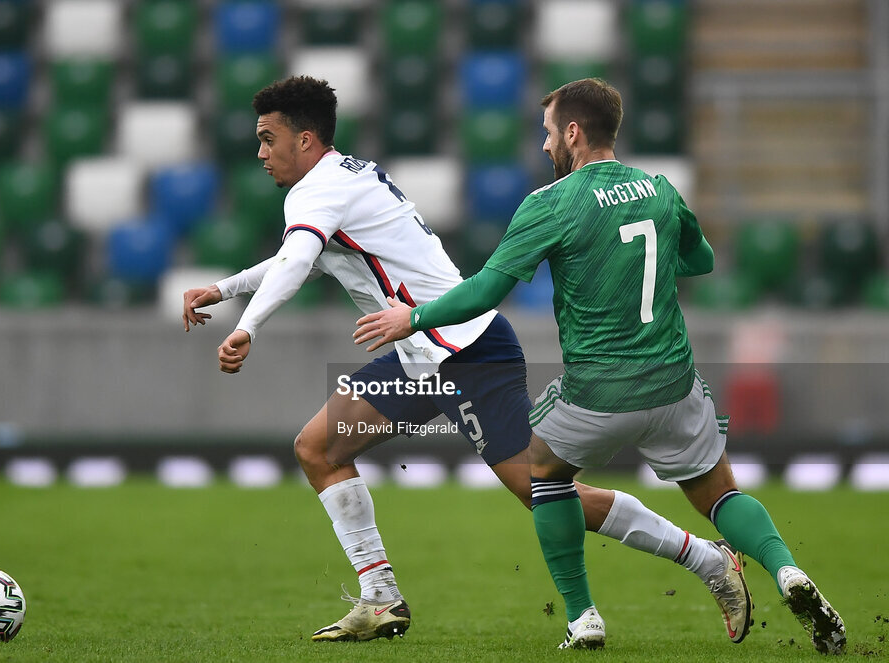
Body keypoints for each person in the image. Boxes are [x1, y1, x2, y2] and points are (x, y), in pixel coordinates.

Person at [183, 75, 749, 644]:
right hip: (422, 359)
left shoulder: (316, 194)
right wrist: (225, 289)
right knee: (319, 448)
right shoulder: (341, 178)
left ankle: (708, 560)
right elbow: (295, 258)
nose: (260, 153)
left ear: (305, 140)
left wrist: (247, 326)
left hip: (467, 352)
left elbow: (298, 256)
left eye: (267, 139)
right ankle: (380, 598)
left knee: (543, 491)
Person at [355, 77, 846, 653]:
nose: (543, 147)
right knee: (719, 495)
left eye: (546, 134)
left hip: (597, 392)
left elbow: (487, 290)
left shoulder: (549, 205)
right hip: (675, 384)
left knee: (544, 476)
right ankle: (786, 570)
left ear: (573, 132)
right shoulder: (660, 188)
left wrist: (412, 320)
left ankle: (582, 614)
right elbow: (704, 260)